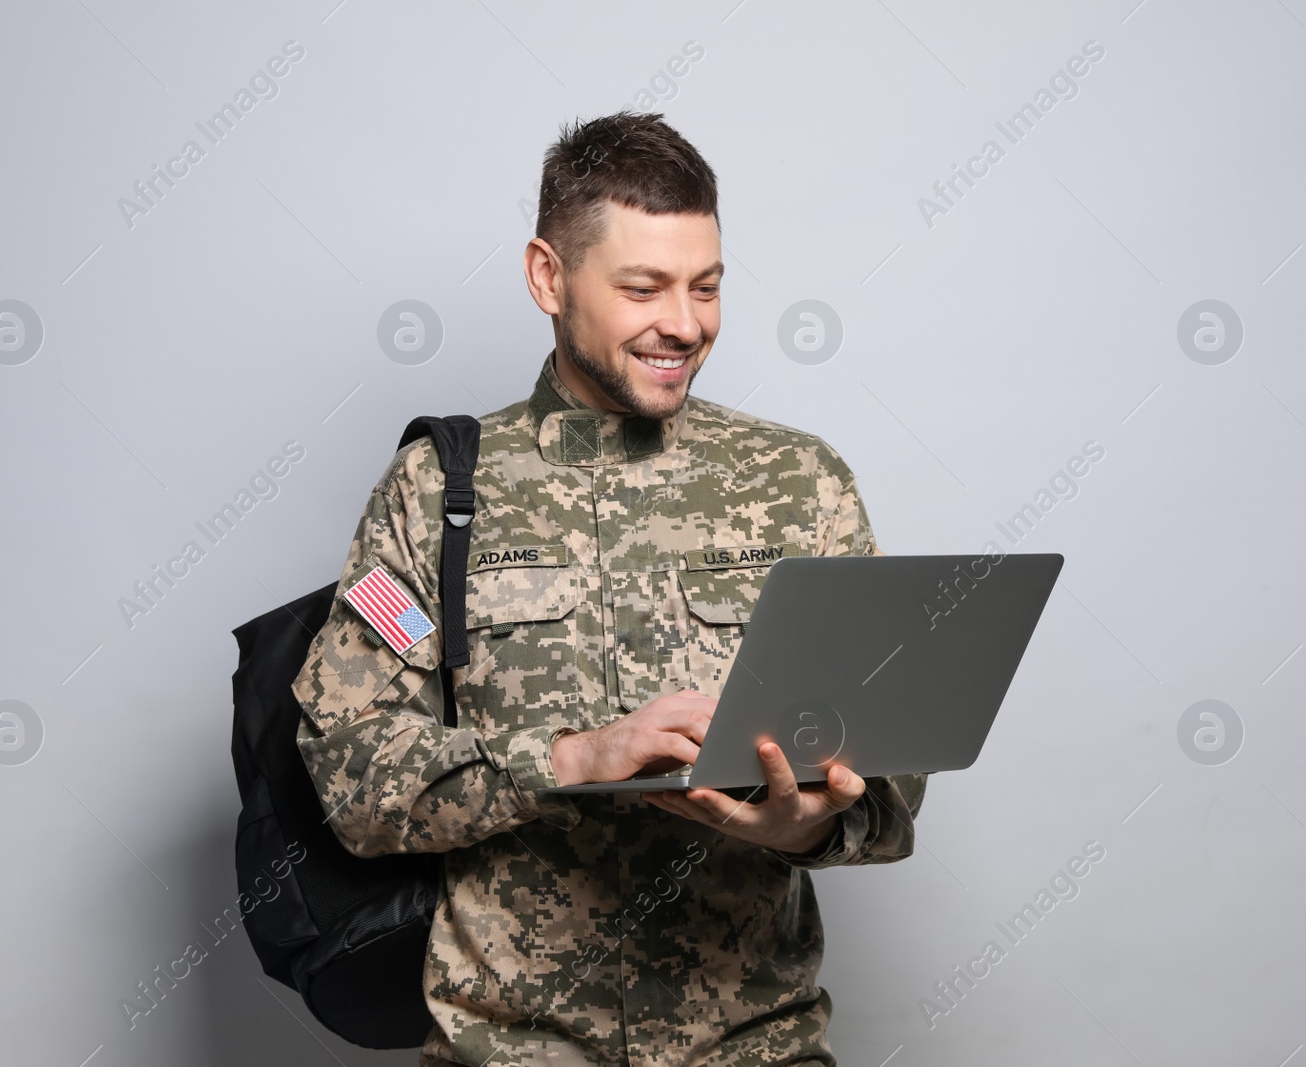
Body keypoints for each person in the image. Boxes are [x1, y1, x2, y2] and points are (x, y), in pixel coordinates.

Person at [292, 110, 927, 1067]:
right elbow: (352, 776)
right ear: (549, 276)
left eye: (706, 287)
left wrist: (816, 823)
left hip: (756, 1048)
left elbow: (894, 770)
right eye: (643, 288)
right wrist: (571, 757)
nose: (684, 323)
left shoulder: (801, 483)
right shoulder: (437, 493)